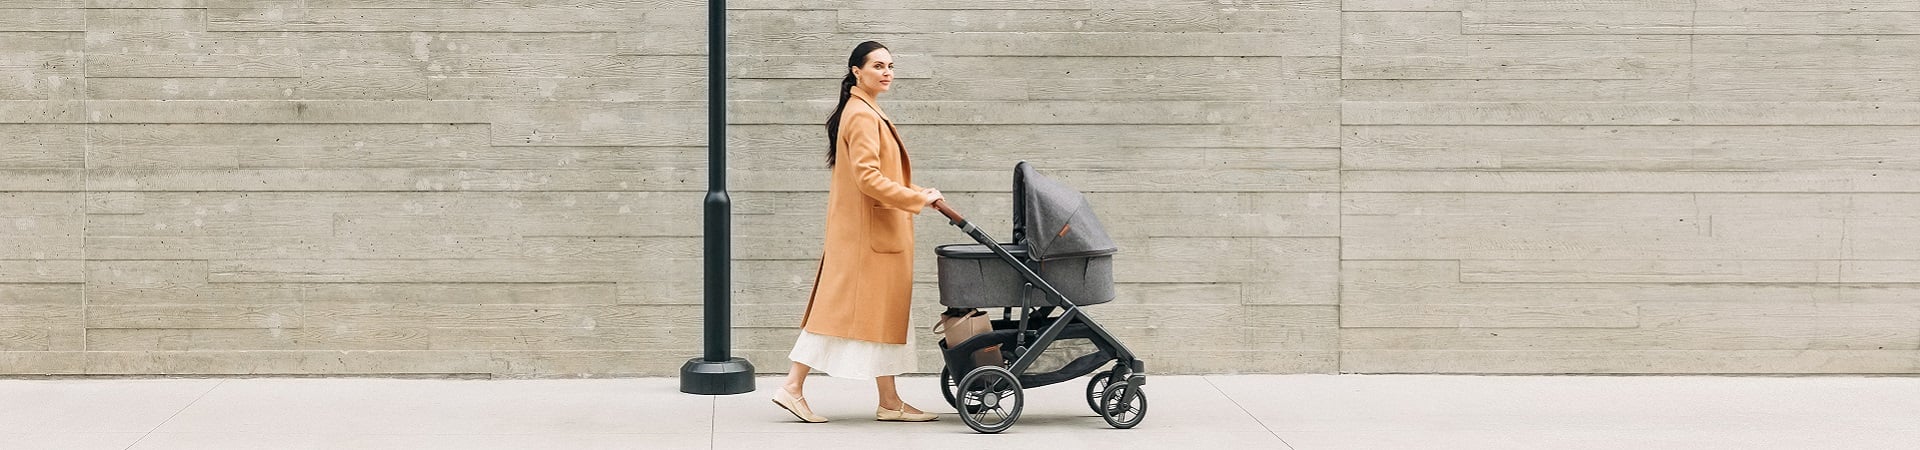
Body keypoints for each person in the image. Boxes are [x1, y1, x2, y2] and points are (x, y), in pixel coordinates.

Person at [770, 41, 944, 423]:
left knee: (879, 318)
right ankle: (792, 387)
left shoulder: (862, 110)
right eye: (878, 65)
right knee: (835, 316)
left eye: (891, 66)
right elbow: (868, 178)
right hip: (869, 238)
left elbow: (878, 177)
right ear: (856, 71)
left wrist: (917, 193)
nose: (887, 72)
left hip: (868, 234)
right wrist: (915, 199)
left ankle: (889, 401)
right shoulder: (863, 115)